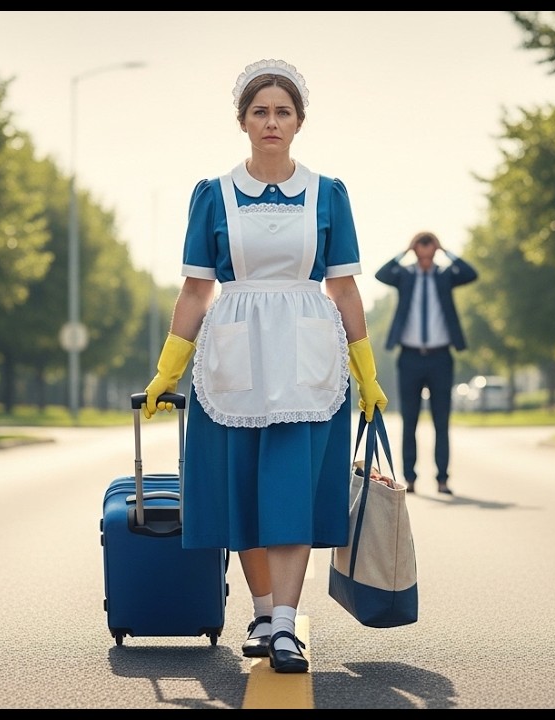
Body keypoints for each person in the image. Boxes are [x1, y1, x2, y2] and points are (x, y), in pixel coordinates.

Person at [142, 59, 386, 674]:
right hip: (233, 353)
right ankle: (260, 612)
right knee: (242, 490)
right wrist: (169, 368)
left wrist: (366, 370)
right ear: (243, 121)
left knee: (290, 492)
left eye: (282, 111)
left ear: (299, 121)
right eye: (260, 112)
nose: (271, 121)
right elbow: (196, 289)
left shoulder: (329, 193)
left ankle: (284, 625)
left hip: (308, 358)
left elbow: (344, 287)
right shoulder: (213, 194)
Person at [374, 230, 478, 495]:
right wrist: (405, 251)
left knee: (441, 421)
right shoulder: (405, 276)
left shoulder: (445, 276)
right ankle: (410, 478)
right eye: (421, 244)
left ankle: (442, 479)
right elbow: (381, 274)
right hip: (409, 356)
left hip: (440, 357)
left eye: (428, 244)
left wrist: (444, 250)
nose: (425, 249)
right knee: (409, 421)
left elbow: (470, 273)